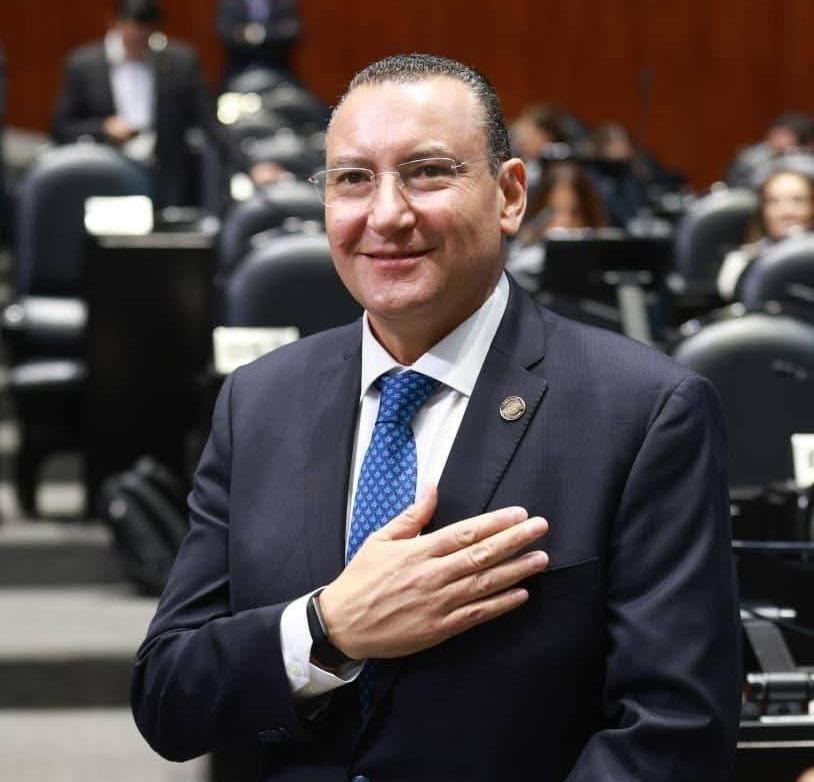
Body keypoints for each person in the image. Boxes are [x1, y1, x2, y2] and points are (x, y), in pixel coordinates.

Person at [132, 53, 741, 781]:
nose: (387, 214)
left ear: (510, 195)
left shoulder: (644, 411)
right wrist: (327, 628)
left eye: (427, 172)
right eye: (353, 179)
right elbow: (169, 697)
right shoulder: (259, 401)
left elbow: (674, 734)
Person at [52, 0, 218, 207]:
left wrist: (247, 165)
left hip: (164, 179)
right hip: (104, 175)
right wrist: (103, 128)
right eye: (131, 34)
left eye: (144, 36)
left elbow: (210, 122)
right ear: (115, 24)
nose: (137, 42)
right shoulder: (83, 64)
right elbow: (61, 127)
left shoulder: (179, 62)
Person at [717, 166, 814, 300]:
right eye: (774, 201)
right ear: (762, 210)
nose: (786, 211)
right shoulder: (741, 262)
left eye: (798, 200)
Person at [217, 0, 301, 83]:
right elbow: (227, 34)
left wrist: (259, 32)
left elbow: (291, 31)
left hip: (280, 71)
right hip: (239, 71)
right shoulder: (230, 3)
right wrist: (273, 32)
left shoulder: (283, 2)